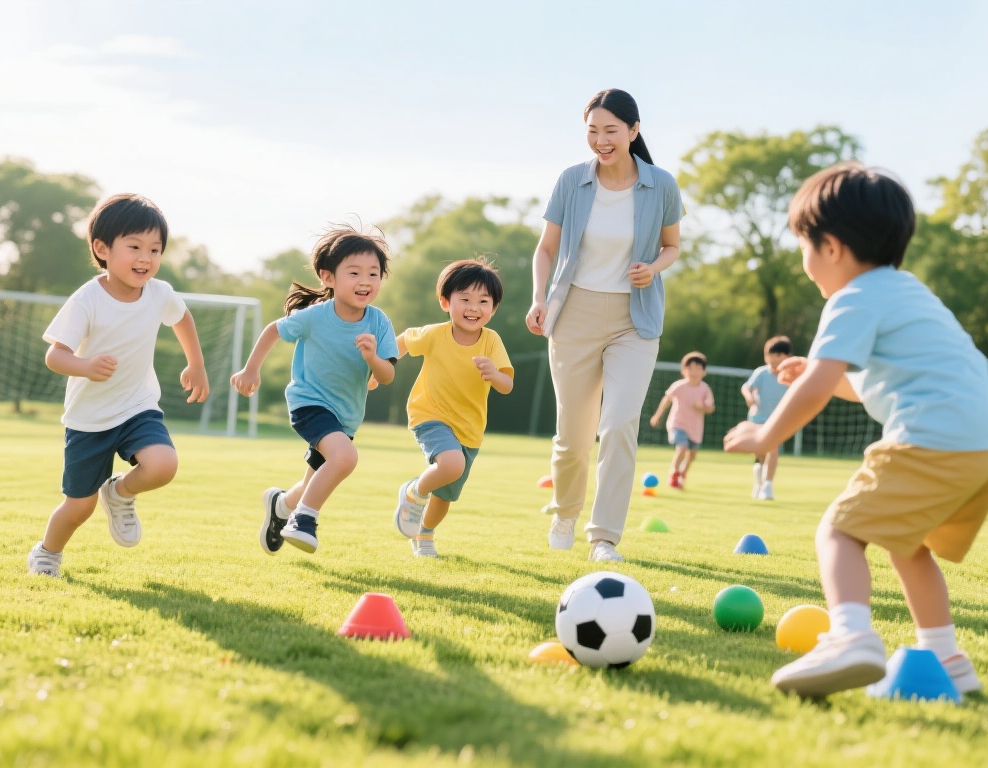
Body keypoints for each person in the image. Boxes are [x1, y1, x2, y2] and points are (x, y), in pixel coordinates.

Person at [723, 162, 988, 698]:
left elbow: (815, 390)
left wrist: (765, 436)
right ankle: (947, 658)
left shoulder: (851, 298)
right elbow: (865, 383)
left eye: (805, 246)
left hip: (935, 434)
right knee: (908, 543)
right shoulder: (907, 292)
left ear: (831, 247)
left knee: (838, 530)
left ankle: (851, 636)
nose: (805, 262)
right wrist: (818, 370)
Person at [525, 87, 684, 563]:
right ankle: (565, 511)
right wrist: (538, 299)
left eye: (611, 130)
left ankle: (604, 537)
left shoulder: (662, 185)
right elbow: (546, 249)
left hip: (634, 320)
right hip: (572, 314)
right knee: (574, 435)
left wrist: (652, 269)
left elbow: (672, 246)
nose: (601, 140)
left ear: (634, 131)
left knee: (617, 425)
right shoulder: (572, 182)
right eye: (592, 131)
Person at [27, 194, 210, 577]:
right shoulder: (87, 300)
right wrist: (85, 365)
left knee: (163, 465)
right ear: (102, 248)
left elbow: (182, 318)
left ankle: (121, 492)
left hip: (137, 406)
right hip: (89, 420)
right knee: (78, 507)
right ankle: (47, 553)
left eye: (155, 249)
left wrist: (196, 363)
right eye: (135, 247)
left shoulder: (159, 292)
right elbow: (55, 356)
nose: (146, 257)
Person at [231, 224, 398, 556]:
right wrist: (251, 369)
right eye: (354, 272)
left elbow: (388, 375)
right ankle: (303, 520)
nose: (365, 281)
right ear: (328, 277)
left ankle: (281, 506)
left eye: (373, 273)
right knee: (345, 457)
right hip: (309, 403)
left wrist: (372, 357)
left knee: (313, 481)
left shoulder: (379, 322)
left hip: (345, 416)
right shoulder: (314, 317)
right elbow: (273, 330)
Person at [392, 258, 514, 557]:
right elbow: (404, 342)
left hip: (469, 429)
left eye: (483, 301)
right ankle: (413, 492)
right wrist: (379, 367)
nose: (474, 307)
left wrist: (494, 374)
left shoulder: (491, 341)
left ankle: (425, 535)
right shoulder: (435, 334)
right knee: (451, 464)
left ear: (493, 308)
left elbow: (507, 385)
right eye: (465, 299)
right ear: (446, 302)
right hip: (429, 414)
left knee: (445, 495)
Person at [648, 352, 715, 489]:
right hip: (677, 424)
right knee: (682, 447)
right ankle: (674, 474)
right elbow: (667, 400)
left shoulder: (705, 389)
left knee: (692, 455)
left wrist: (702, 406)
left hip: (695, 429)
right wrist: (657, 415)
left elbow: (710, 407)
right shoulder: (679, 386)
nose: (694, 372)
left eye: (698, 368)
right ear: (684, 370)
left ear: (704, 372)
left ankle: (682, 474)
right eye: (690, 368)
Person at [740, 336, 793, 500]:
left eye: (779, 355)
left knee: (773, 449)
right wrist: (749, 397)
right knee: (760, 453)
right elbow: (746, 387)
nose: (774, 359)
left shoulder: (790, 376)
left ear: (787, 357)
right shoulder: (761, 373)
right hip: (758, 418)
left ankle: (768, 486)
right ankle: (759, 483)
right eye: (771, 355)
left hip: (776, 420)